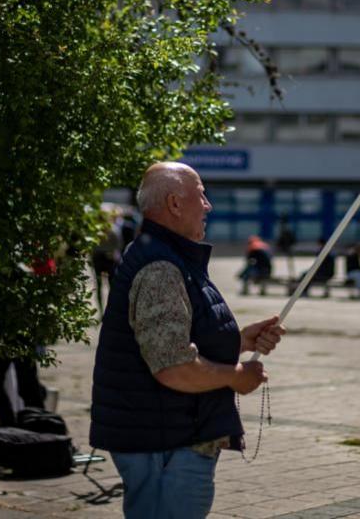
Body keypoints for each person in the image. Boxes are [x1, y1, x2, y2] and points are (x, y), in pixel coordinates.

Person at [89, 162, 285, 519]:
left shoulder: (165, 254)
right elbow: (174, 367)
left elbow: (170, 338)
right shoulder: (161, 266)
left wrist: (238, 340)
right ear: (175, 204)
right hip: (165, 443)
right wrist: (235, 375)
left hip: (166, 435)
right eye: (201, 195)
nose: (208, 205)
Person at [92, 207, 123, 313]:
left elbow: (92, 246)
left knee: (100, 285)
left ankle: (102, 311)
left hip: (99, 258)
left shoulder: (95, 230)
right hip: (109, 259)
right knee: (111, 287)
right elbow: (118, 245)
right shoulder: (113, 229)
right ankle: (109, 311)